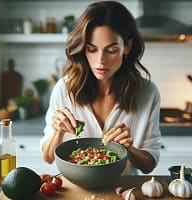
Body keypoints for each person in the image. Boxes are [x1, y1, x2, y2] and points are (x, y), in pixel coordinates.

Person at [41, 1, 161, 175]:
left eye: (111, 50)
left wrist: (128, 149)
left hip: (123, 190)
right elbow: (48, 157)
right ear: (83, 49)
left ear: (127, 47)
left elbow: (149, 164)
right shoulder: (64, 89)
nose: (100, 60)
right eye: (92, 49)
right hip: (76, 190)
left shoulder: (148, 93)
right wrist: (58, 132)